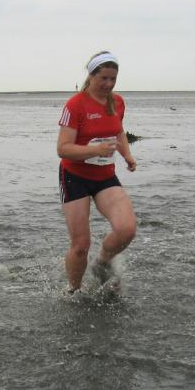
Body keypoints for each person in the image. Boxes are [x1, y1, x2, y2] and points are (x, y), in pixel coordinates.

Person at [57, 51, 137, 294]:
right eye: (104, 78)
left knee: (126, 229)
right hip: (75, 178)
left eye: (113, 79)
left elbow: (118, 131)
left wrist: (127, 155)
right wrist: (94, 150)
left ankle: (102, 262)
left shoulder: (118, 102)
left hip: (104, 177)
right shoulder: (75, 105)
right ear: (91, 76)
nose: (109, 84)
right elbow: (63, 149)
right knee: (81, 246)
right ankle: (73, 292)